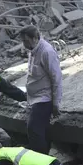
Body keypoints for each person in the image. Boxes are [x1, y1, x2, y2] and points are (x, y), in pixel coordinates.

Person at [19, 25, 62, 155]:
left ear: (35, 38)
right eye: (23, 41)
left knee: (33, 129)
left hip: (44, 98)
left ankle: (40, 162)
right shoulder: (33, 50)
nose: (24, 44)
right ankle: (46, 154)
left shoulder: (46, 52)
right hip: (34, 97)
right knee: (41, 129)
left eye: (26, 41)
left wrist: (56, 103)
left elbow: (56, 78)